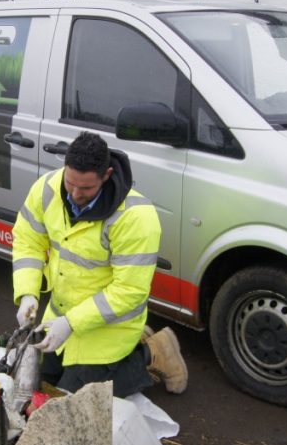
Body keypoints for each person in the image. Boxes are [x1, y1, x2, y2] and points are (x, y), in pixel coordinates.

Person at [11, 131, 187, 397]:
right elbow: (27, 240)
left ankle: (154, 351)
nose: (75, 194)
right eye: (70, 183)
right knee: (39, 381)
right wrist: (27, 293)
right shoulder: (48, 188)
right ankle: (140, 344)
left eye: (86, 188)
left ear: (106, 175)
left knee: (75, 399)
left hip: (109, 329)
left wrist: (72, 323)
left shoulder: (135, 217)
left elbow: (129, 292)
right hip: (60, 317)